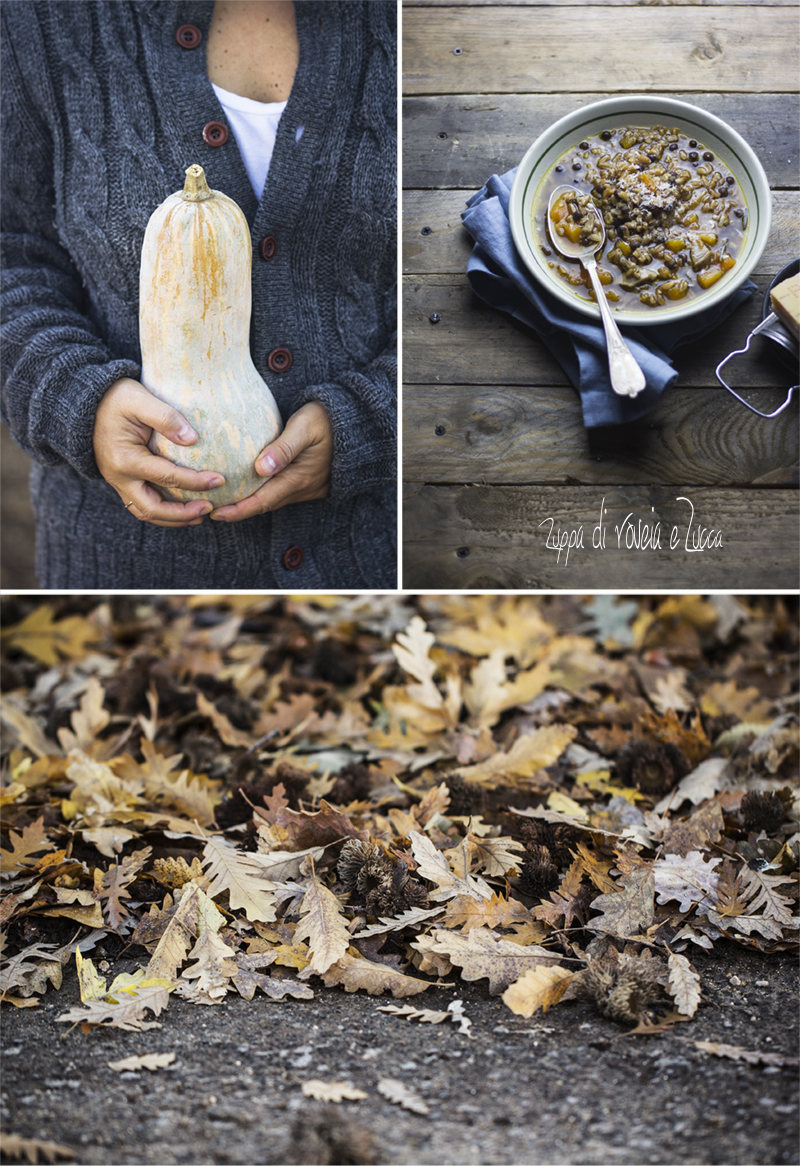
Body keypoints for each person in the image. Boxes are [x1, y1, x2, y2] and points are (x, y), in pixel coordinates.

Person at [1, 0, 397, 589]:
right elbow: (11, 252)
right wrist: (81, 402)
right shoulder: (33, 19)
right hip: (127, 575)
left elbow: (455, 272)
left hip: (372, 557)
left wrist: (375, 421)